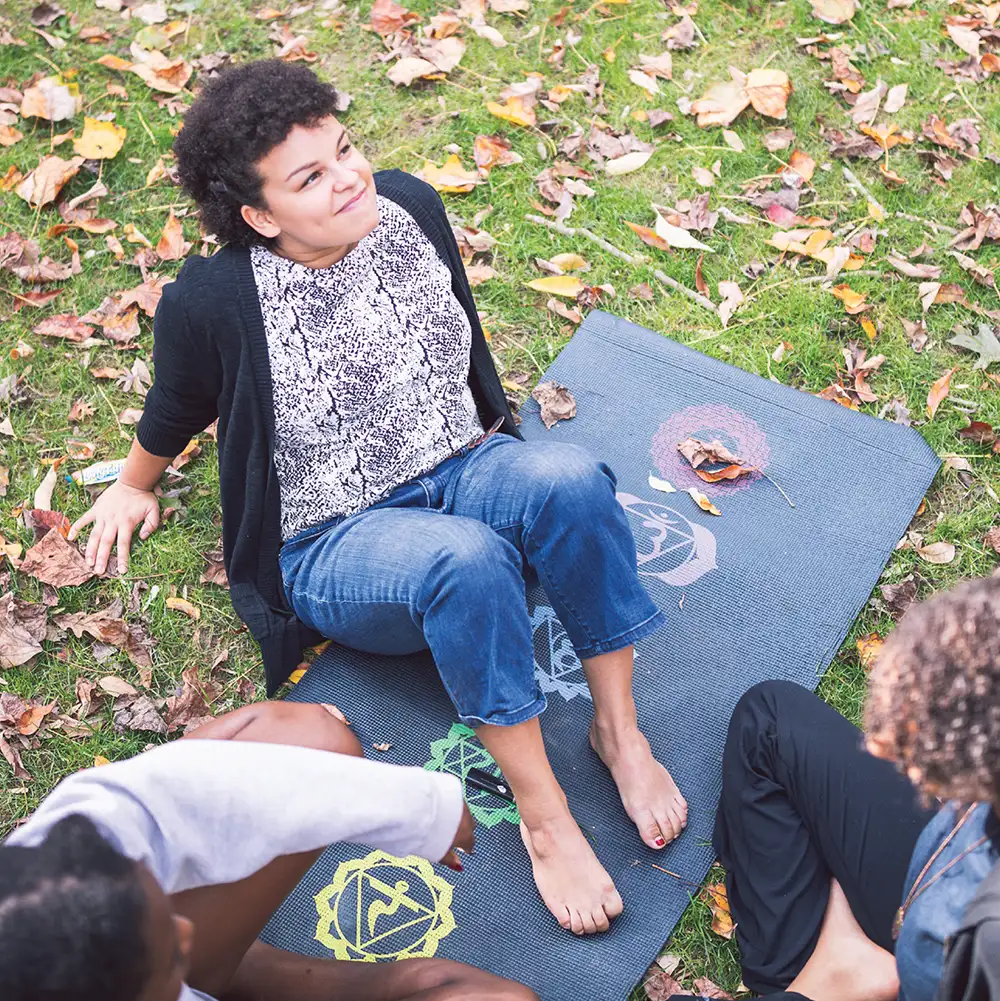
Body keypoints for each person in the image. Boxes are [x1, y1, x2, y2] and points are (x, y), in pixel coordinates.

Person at [66, 58, 686, 936]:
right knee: (465, 564)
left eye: (344, 148)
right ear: (257, 214)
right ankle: (544, 813)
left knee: (570, 479)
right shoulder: (214, 302)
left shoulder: (410, 209)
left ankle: (618, 733)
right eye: (309, 177)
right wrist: (135, 483)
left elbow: (462, 364)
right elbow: (178, 401)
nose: (350, 178)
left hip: (462, 464)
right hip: (337, 538)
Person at [1, 700, 539, 1001]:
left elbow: (179, 786)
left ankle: (240, 971)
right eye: (166, 953)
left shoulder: (67, 856)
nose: (183, 927)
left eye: (162, 906)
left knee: (310, 740)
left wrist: (423, 812)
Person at [712, 575, 1000, 1001]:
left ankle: (813, 981)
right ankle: (834, 957)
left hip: (945, 967)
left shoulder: (986, 942)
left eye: (916, 753)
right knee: (771, 722)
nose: (885, 750)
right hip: (943, 886)